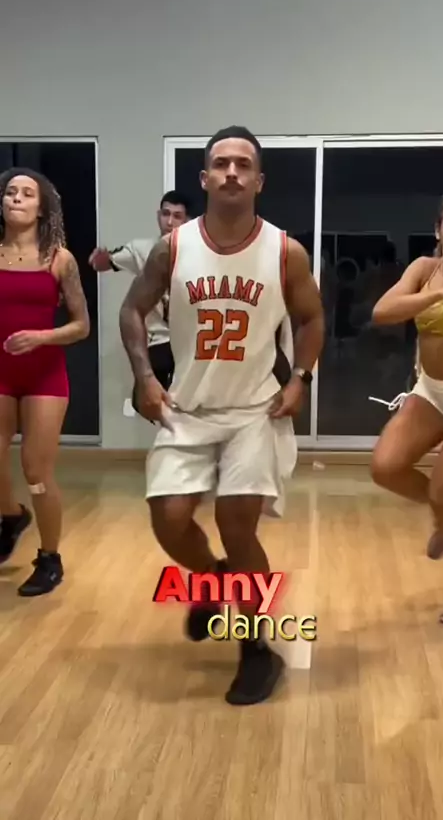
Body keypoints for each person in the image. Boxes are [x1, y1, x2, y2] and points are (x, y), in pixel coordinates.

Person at [119, 126, 324, 704]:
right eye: (221, 163)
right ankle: (212, 584)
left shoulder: (284, 251)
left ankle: (257, 648)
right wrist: (145, 376)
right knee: (169, 519)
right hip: (189, 407)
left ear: (259, 181)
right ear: (205, 178)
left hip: (255, 409)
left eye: (243, 164)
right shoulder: (173, 247)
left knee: (238, 524)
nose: (232, 172)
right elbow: (133, 310)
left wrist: (301, 377)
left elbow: (312, 319)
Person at [370, 187, 443, 626]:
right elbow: (383, 312)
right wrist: (440, 296)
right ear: (438, 230)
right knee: (385, 467)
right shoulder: (423, 270)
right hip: (431, 390)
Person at [0, 168, 90, 596]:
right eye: (10, 192)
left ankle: (50, 557)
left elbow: (81, 326)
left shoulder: (60, 259)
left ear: (41, 208)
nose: (16, 198)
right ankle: (11, 515)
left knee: (36, 471)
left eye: (26, 193)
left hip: (43, 376)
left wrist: (41, 337)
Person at [88, 191, 191, 400]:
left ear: (188, 220)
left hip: (189, 342)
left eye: (177, 216)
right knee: (149, 400)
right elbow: (104, 263)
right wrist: (99, 259)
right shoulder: (142, 249)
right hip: (159, 341)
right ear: (158, 215)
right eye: (165, 214)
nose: (169, 222)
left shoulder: (199, 252)